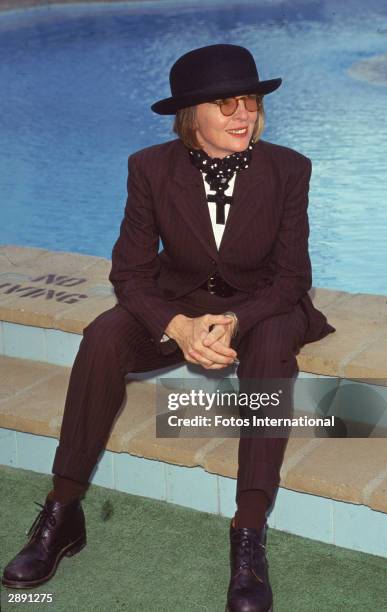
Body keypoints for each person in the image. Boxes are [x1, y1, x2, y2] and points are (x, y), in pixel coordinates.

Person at [2, 44, 335, 611]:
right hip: (176, 301)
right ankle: (62, 512)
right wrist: (179, 326)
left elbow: (291, 277)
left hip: (262, 305)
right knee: (103, 335)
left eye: (250, 101)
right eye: (226, 103)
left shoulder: (288, 168)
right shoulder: (149, 168)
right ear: (191, 116)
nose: (243, 114)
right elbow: (129, 272)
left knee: (276, 340)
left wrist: (234, 320)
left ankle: (248, 534)